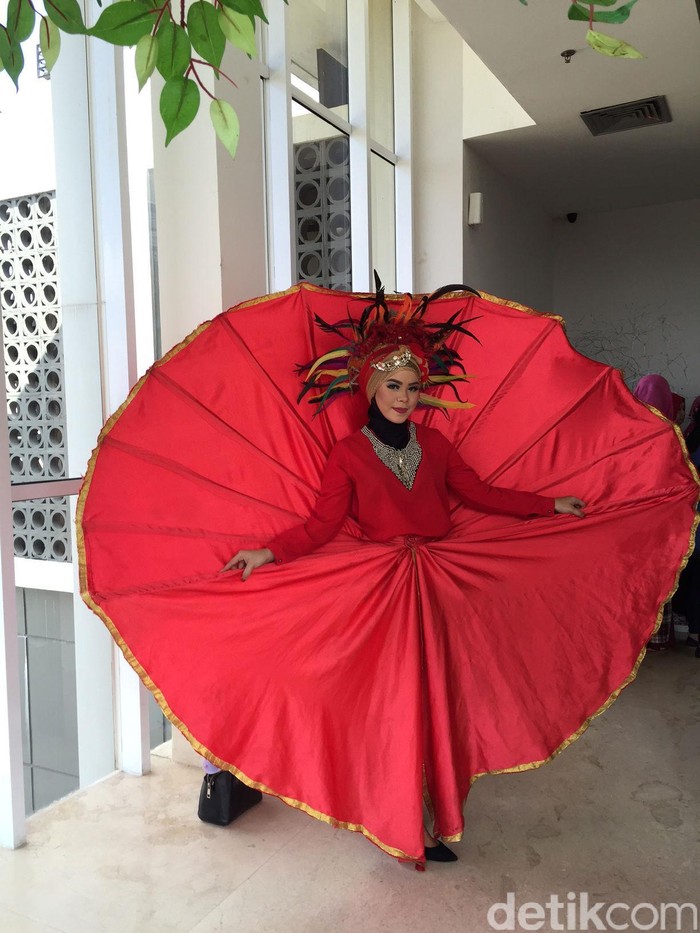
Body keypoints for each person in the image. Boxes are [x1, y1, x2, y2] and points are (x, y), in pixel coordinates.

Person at [221, 292, 585, 865]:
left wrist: (547, 505)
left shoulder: (436, 443)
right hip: (382, 590)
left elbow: (481, 494)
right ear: (370, 388)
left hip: (441, 581)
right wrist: (268, 552)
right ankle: (399, 819)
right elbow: (321, 526)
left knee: (440, 702)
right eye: (393, 386)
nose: (404, 398)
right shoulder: (347, 453)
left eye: (413, 388)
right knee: (393, 709)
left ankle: (431, 809)